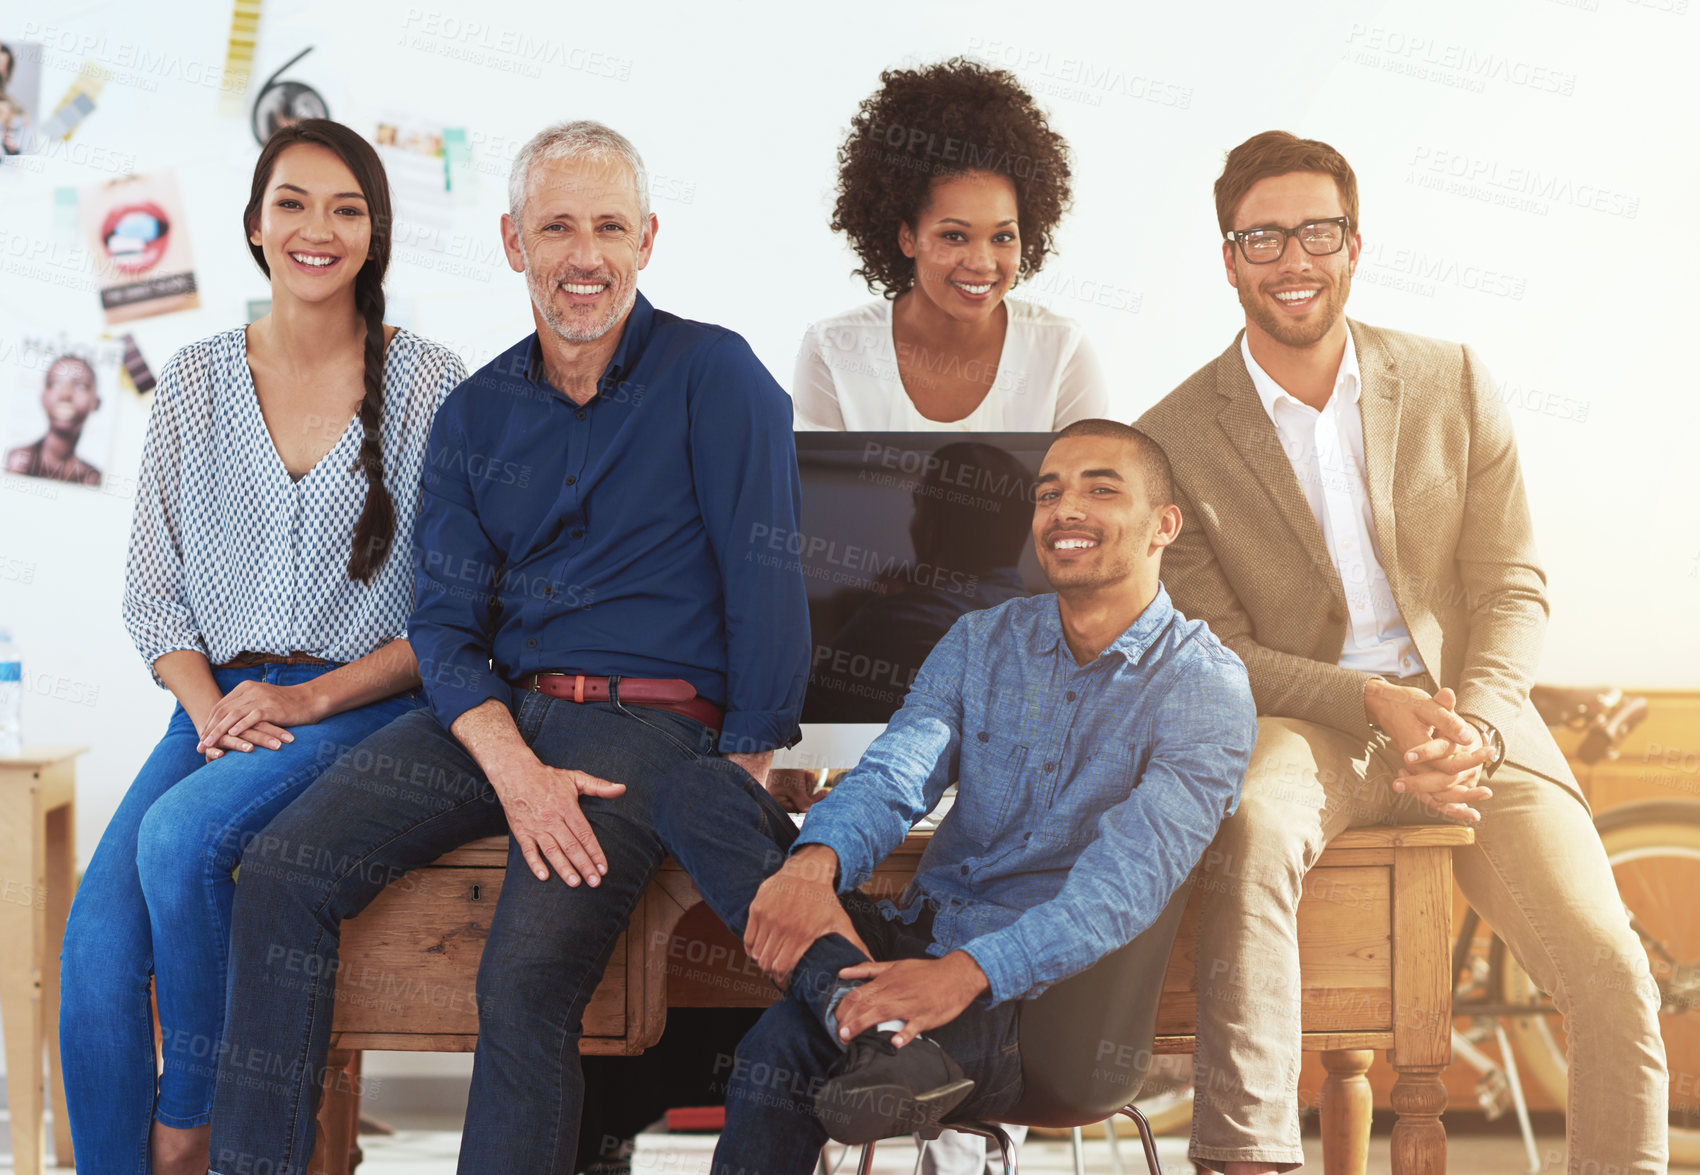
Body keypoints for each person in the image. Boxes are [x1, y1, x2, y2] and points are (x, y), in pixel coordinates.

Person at [206, 119, 810, 1175]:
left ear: (648, 240)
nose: (584, 256)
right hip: (495, 715)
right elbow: (444, 624)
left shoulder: (719, 378)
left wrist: (733, 793)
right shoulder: (476, 411)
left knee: (521, 983)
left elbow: (770, 592)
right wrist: (512, 766)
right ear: (511, 241)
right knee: (277, 871)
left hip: (646, 728)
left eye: (609, 227)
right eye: (557, 227)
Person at [1136, 130, 1668, 1175]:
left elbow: (1507, 581)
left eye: (1315, 231)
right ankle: (1244, 1155)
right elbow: (1215, 648)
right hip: (1305, 726)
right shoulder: (1170, 438)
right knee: (1251, 827)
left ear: (1353, 241)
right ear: (1227, 255)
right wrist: (1370, 701)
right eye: (1261, 236)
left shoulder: (1451, 380)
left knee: (1609, 968)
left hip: (1475, 724)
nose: (1292, 257)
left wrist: (1471, 714)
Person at [653, 420, 1254, 1170]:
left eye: (1101, 488)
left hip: (1039, 1000)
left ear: (1164, 524)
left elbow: (1122, 887)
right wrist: (813, 866)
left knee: (780, 1042)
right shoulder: (981, 641)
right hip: (913, 941)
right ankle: (859, 1015)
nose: (1066, 509)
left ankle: (866, 1021)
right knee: (695, 786)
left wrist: (961, 974)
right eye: (1049, 492)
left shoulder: (1204, 685)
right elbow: (895, 774)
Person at [56, 119, 465, 1175]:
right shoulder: (192, 385)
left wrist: (308, 699)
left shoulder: (430, 386)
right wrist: (211, 711)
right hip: (219, 703)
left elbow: (450, 618)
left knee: (178, 838)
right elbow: (154, 600)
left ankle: (190, 1125)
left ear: (374, 233)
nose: (315, 229)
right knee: (94, 953)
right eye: (292, 203)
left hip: (364, 703)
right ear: (253, 225)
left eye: (345, 208)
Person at [793, 58, 1108, 432]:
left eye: (1003, 237)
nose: (982, 262)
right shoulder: (834, 351)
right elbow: (819, 490)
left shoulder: (1061, 353)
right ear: (907, 236)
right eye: (954, 235)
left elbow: (1090, 488)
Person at [6, 354, 104, 485]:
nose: (65, 395)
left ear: (96, 403)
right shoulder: (19, 462)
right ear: (42, 397)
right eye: (54, 384)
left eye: (80, 387)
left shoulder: (90, 477)